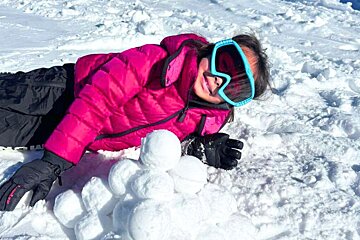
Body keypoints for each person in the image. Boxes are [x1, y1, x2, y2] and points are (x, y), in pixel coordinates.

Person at [0, 33, 270, 211]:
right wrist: (54, 160)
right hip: (67, 88)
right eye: (225, 62)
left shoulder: (205, 120)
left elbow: (163, 145)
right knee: (8, 93)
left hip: (75, 132)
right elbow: (98, 99)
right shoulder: (157, 61)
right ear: (212, 50)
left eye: (235, 87)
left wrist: (199, 147)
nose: (218, 80)